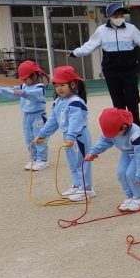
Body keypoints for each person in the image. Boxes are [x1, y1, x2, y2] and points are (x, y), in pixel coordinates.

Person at [70, 2, 140, 126]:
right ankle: (122, 126)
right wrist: (75, 53)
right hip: (111, 71)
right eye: (116, 15)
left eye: (121, 15)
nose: (119, 17)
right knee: (118, 101)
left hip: (129, 70)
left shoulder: (131, 29)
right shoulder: (101, 31)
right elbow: (89, 46)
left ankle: (135, 127)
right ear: (109, 16)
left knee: (132, 100)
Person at [34, 66, 94, 202]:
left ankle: (86, 189)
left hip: (78, 137)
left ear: (72, 84)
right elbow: (52, 120)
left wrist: (71, 136)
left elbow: (76, 121)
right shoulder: (58, 101)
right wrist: (43, 134)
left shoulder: (76, 102)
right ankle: (77, 184)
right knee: (72, 162)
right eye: (56, 86)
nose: (59, 88)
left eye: (63, 85)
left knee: (82, 161)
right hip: (68, 137)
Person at [84, 108, 140, 212]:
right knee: (121, 173)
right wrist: (93, 151)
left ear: (123, 126)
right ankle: (130, 197)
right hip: (126, 152)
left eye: (113, 133)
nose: (112, 136)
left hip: (139, 154)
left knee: (131, 174)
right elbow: (105, 141)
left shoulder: (137, 135)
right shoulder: (112, 131)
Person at [0, 60, 49, 171]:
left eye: (26, 78)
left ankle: (42, 160)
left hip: (38, 116)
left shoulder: (39, 87)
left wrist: (24, 93)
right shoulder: (24, 86)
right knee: (29, 138)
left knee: (39, 137)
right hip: (27, 116)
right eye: (23, 79)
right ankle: (34, 158)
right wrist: (0, 90)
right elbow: (13, 91)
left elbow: (35, 95)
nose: (24, 81)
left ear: (35, 75)